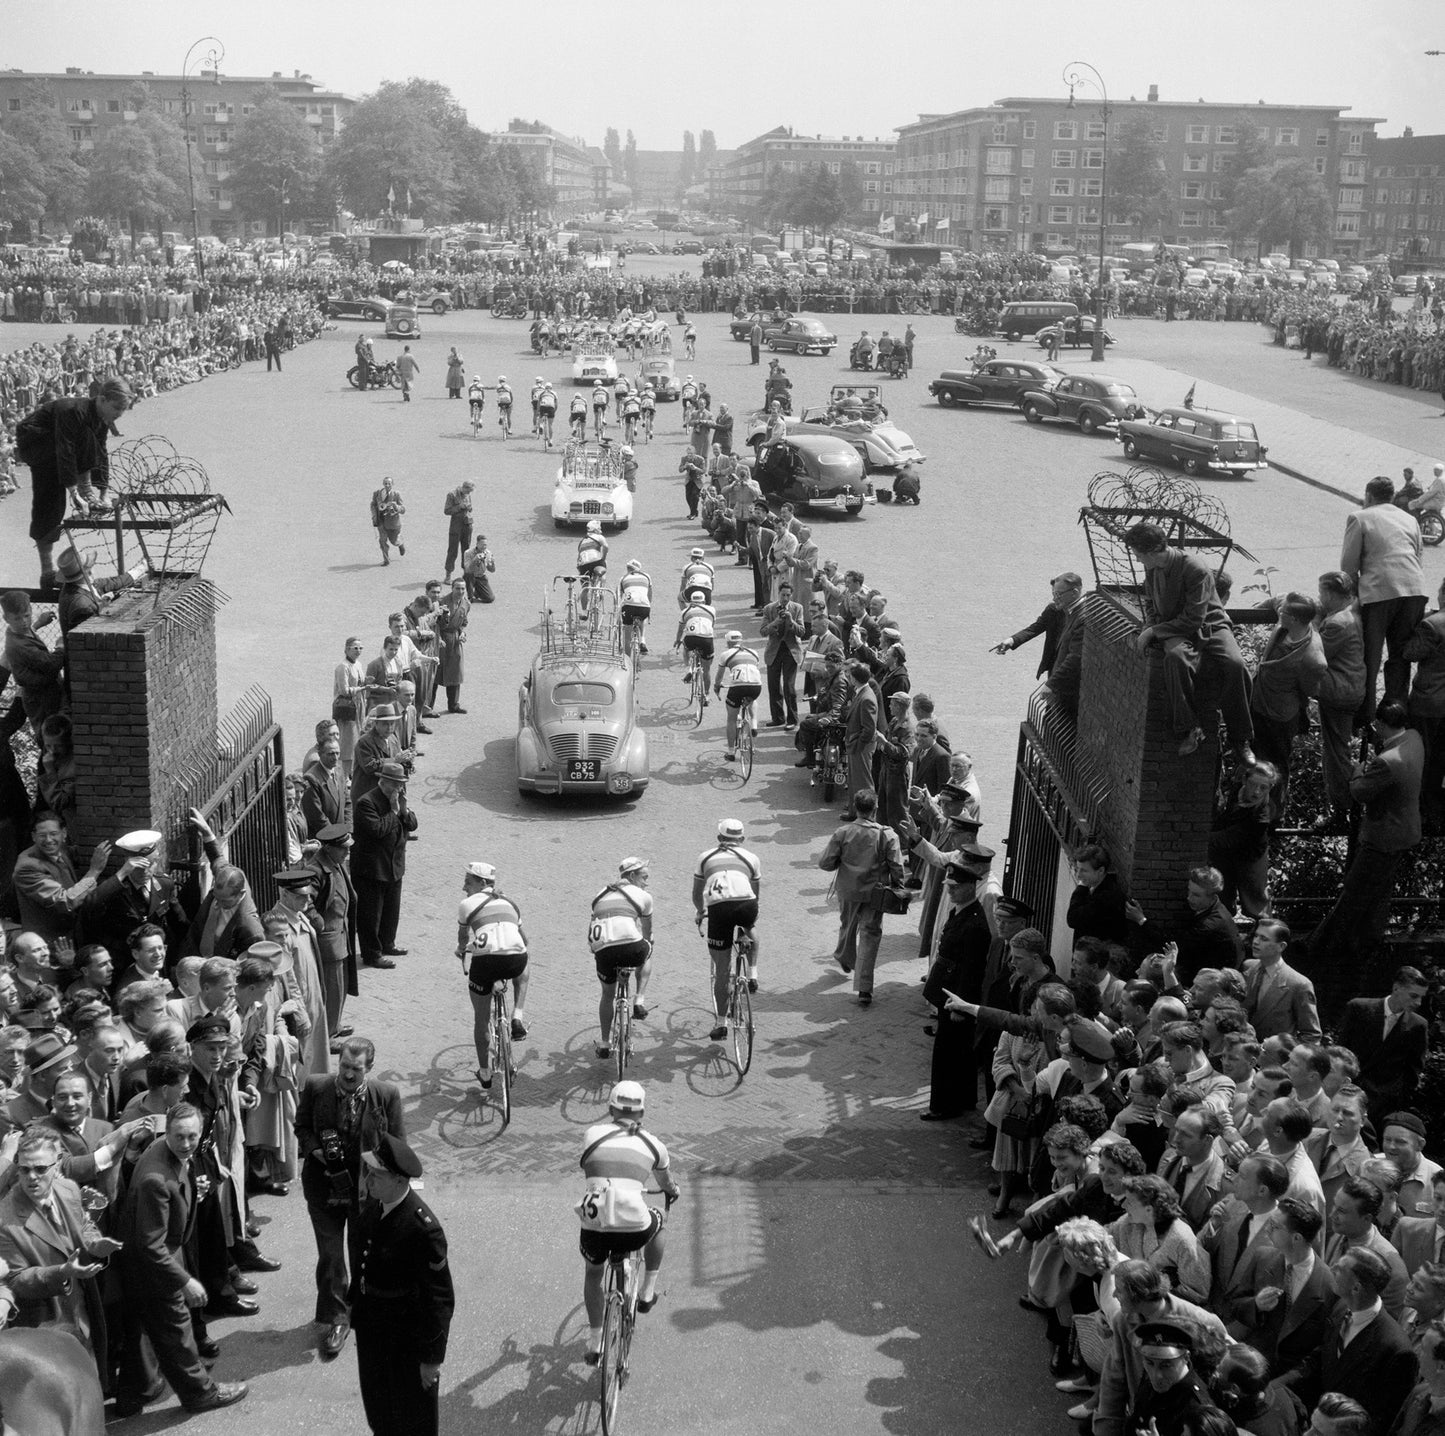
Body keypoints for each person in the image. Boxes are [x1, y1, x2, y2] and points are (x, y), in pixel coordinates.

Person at [114, 1102, 249, 1416]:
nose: (187, 1143)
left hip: (144, 1263)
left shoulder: (166, 1150)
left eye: (192, 1136)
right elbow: (151, 1245)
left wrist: (190, 1191)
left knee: (143, 1330)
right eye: (180, 1136)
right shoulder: (155, 1179)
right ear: (168, 1132)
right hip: (154, 1267)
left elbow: (176, 1186)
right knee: (177, 1330)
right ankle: (200, 1394)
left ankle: (132, 1395)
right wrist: (185, 1281)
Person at [295, 1037, 404, 1361]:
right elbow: (301, 1126)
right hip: (323, 1187)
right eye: (343, 1066)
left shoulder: (386, 1095)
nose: (347, 1074)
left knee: (362, 1252)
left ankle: (360, 1304)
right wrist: (316, 1150)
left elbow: (398, 1143)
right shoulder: (316, 1087)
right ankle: (336, 1319)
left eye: (355, 1068)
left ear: (369, 1068)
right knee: (330, 1256)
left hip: (365, 1191)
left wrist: (395, 1188)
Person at [350, 1134, 454, 1436]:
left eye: (376, 1174)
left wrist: (432, 1359)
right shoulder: (376, 1207)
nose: (368, 1179)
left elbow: (440, 1299)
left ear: (398, 1180)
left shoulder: (423, 1229)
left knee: (413, 1419)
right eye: (368, 1171)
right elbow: (363, 1262)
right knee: (379, 1411)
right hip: (372, 1332)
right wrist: (352, 1303)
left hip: (406, 1341)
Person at [1125, 522, 1254, 762]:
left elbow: (1194, 619)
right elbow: (1151, 603)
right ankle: (1189, 727)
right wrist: (1149, 627)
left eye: (1138, 554)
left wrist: (1154, 631)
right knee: (1176, 659)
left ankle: (1240, 738)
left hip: (1210, 623)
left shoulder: (1195, 568)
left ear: (1151, 552)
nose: (1137, 559)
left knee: (1235, 664)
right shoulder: (1152, 568)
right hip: (1174, 626)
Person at [1309, 701, 1424, 965]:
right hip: (1405, 830)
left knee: (1354, 893)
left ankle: (1322, 947)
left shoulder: (1387, 762)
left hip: (1383, 837)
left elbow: (1359, 793)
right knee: (1379, 894)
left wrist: (1357, 774)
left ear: (1381, 725)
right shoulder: (1414, 738)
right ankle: (1365, 946)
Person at [575, 1081, 680, 1364]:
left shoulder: (591, 1135)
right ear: (642, 1113)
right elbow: (666, 1184)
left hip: (595, 1225)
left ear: (611, 1109)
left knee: (593, 1275)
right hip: (634, 1228)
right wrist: (673, 1192)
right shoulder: (654, 1145)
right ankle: (646, 1293)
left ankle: (596, 1344)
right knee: (660, 1220)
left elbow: (588, 1166)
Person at [1279, 1245, 1419, 1433]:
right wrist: (1278, 1385)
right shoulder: (1340, 1309)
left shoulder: (1396, 1350)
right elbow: (1319, 1359)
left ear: (1356, 1288)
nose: (1332, 1269)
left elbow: (1384, 1419)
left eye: (1340, 1269)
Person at [14, 377, 130, 587]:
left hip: (59, 445)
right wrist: (74, 493)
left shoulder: (100, 417)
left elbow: (101, 451)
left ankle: (87, 492)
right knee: (50, 499)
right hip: (35, 441)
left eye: (123, 410)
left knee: (88, 439)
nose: (119, 414)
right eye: (116, 408)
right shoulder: (73, 411)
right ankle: (47, 571)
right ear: (102, 399)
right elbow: (65, 448)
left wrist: (104, 492)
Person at [1341, 474, 1431, 724]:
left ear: (1368, 495)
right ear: (1391, 497)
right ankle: (1395, 715)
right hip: (1414, 590)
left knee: (1370, 657)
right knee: (1400, 657)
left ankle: (1366, 717)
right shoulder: (1410, 519)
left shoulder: (1359, 517)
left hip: (1379, 593)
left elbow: (1348, 568)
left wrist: (1354, 601)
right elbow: (1418, 557)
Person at [818, 791, 905, 1008]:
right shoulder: (887, 835)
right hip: (875, 894)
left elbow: (825, 863)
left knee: (847, 924)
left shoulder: (843, 832)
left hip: (848, 891)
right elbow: (897, 866)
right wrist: (898, 885)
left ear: (856, 808)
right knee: (870, 935)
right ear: (875, 809)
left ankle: (845, 957)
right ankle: (864, 989)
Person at [456, 863, 529, 1084]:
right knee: (524, 962)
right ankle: (517, 1016)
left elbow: (463, 938)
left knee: (481, 1019)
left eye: (468, 882)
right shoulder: (510, 902)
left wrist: (461, 950)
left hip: (485, 963)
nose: (464, 887)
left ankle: (485, 1072)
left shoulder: (467, 904)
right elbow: (524, 940)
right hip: (514, 961)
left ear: (482, 883)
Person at [1337, 967, 1430, 1132]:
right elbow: (1341, 1053)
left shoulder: (1418, 1025)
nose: (1418, 1003)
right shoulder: (1358, 1008)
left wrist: (1396, 1097)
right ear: (1396, 988)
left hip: (1385, 1106)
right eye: (1414, 996)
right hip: (1349, 1094)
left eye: (1421, 997)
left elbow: (1414, 1069)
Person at [693, 821, 761, 1043]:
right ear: (742, 839)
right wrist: (750, 915)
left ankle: (721, 1023)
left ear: (719, 838)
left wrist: (701, 911)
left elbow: (697, 893)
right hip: (747, 904)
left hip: (719, 909)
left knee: (722, 971)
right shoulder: (751, 858)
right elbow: (755, 892)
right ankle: (753, 972)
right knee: (749, 927)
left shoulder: (705, 857)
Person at [352, 761, 417, 972]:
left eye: (401, 784)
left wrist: (404, 810)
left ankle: (388, 943)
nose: (399, 788)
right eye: (396, 784)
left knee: (391, 910)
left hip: (394, 866)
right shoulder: (367, 802)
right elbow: (377, 830)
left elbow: (412, 825)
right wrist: (394, 811)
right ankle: (372, 954)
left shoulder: (397, 800)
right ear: (384, 782)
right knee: (371, 915)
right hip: (372, 869)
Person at [1314, 571, 1367, 830]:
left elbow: (1314, 653)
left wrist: (1314, 622)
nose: (1319, 598)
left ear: (1331, 594)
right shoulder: (1354, 612)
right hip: (1351, 690)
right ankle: (1344, 808)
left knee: (1336, 755)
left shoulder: (1337, 623)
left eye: (1321, 593)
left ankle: (1342, 810)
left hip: (1338, 694)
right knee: (1339, 750)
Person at [1242, 919, 1321, 1042]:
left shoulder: (1298, 984)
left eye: (1264, 939)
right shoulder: (1249, 968)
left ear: (1281, 946)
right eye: (1256, 936)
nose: (1255, 942)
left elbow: (1312, 1035)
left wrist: (1286, 1051)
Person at [714, 630, 763, 762]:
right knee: (752, 700)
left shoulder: (726, 654)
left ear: (728, 642)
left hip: (737, 687)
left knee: (731, 718)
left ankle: (731, 752)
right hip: (756, 686)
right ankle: (754, 724)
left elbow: (719, 676)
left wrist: (717, 687)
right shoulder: (754, 652)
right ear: (741, 640)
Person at [435, 578, 469, 715]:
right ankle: (428, 706)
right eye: (457, 588)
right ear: (452, 588)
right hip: (441, 638)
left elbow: (464, 622)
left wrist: (462, 633)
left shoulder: (466, 604)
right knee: (436, 672)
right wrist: (437, 638)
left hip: (455, 640)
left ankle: (453, 704)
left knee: (456, 672)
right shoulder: (442, 602)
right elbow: (434, 623)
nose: (460, 591)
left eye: (463, 588)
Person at [674, 588, 716, 698]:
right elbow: (712, 625)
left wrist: (678, 640)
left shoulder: (685, 611)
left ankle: (689, 668)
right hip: (707, 639)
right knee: (706, 669)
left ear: (691, 601)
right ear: (704, 601)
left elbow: (680, 629)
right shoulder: (711, 610)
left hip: (691, 638)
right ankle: (706, 695)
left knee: (686, 648)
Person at [442, 480, 474, 581]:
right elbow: (447, 510)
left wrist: (469, 508)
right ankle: (448, 574)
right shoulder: (452, 495)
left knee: (467, 550)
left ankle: (466, 573)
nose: (469, 493)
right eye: (468, 491)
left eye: (470, 492)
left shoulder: (468, 495)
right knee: (452, 550)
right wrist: (459, 507)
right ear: (464, 487)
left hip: (467, 524)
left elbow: (470, 508)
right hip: (456, 525)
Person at [618, 560, 653, 656]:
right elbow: (650, 596)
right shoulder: (647, 576)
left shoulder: (623, 578)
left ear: (628, 569)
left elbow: (619, 597)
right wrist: (648, 607)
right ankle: (643, 640)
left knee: (627, 636)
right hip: (644, 607)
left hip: (628, 607)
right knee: (644, 618)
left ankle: (627, 660)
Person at [370, 477, 406, 565]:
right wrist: (374, 515)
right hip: (381, 522)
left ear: (392, 484)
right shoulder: (377, 494)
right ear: (383, 484)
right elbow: (373, 505)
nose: (387, 485)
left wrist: (396, 507)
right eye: (385, 483)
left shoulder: (396, 494)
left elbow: (403, 509)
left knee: (394, 541)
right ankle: (386, 560)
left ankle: (400, 544)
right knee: (382, 541)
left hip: (392, 523)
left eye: (389, 483)